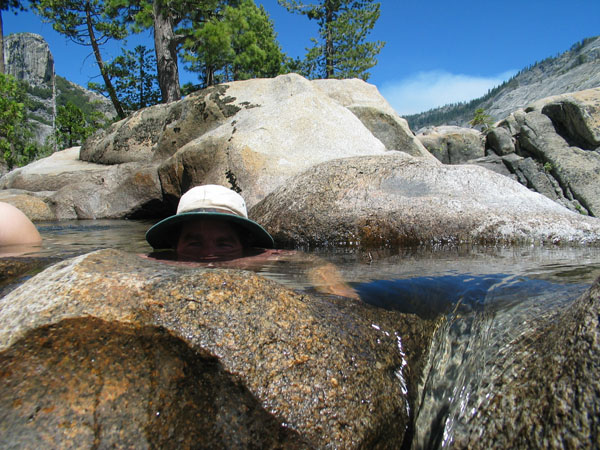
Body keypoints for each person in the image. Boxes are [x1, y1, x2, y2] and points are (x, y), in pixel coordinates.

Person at [146, 185, 358, 299]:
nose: (208, 258)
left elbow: (311, 262)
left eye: (223, 244)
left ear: (245, 246)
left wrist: (337, 291)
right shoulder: (159, 261)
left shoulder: (261, 257)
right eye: (194, 243)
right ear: (174, 245)